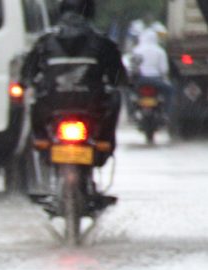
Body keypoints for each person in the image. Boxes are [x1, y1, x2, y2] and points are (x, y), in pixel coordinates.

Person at [21, 0, 128, 165]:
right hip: (91, 106)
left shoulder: (45, 41)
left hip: (53, 106)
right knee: (115, 97)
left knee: (34, 99)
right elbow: (118, 77)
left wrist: (27, 83)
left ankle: (41, 138)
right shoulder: (102, 42)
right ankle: (104, 142)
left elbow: (28, 73)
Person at [130, 30, 174, 115]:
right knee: (170, 90)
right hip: (156, 80)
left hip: (140, 80)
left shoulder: (136, 50)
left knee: (128, 91)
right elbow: (164, 70)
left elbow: (133, 67)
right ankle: (166, 113)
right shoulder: (160, 51)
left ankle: (131, 112)